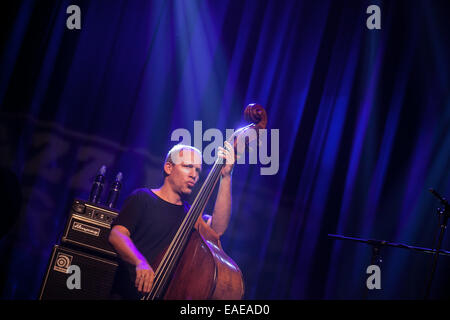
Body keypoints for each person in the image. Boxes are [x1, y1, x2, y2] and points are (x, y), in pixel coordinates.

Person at [108, 142, 235, 299]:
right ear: (168, 168)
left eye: (197, 170)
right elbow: (117, 234)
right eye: (188, 166)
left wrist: (226, 177)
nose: (194, 175)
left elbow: (217, 229)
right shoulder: (143, 198)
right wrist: (140, 262)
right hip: (128, 294)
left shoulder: (191, 217)